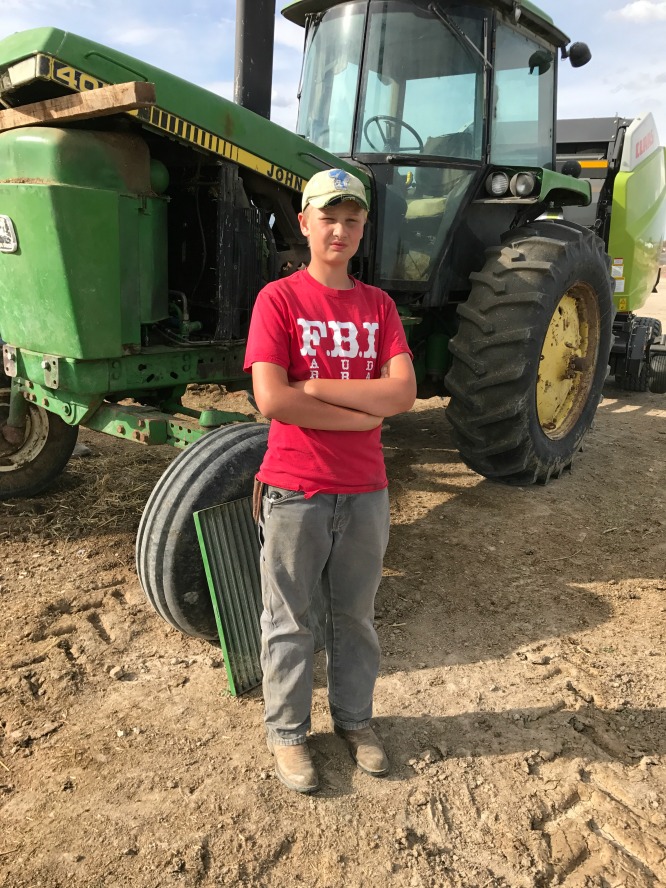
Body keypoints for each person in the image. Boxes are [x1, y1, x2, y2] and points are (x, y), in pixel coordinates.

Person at [243, 168, 416, 794]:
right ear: (305, 223)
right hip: (294, 488)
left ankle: (355, 720)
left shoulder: (379, 306)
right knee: (288, 619)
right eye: (327, 217)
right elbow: (272, 399)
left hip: (365, 490)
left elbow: (403, 393)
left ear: (363, 227)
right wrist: (359, 414)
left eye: (351, 219)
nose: (339, 230)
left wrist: (313, 385)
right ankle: (287, 733)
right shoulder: (279, 300)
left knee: (355, 616)